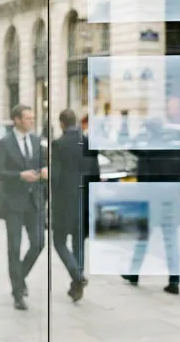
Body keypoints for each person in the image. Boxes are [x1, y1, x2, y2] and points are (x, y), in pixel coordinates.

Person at [122, 119, 180, 295]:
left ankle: (133, 273)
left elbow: (140, 177)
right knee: (172, 242)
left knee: (142, 240)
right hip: (171, 202)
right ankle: (174, 280)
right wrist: (177, 193)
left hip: (151, 202)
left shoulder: (147, 152)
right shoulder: (176, 150)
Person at [0, 104, 47, 311]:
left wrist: (43, 171)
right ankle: (17, 293)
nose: (31, 121)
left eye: (32, 118)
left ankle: (20, 277)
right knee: (14, 248)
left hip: (34, 201)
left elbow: (40, 163)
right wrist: (19, 176)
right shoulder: (4, 143)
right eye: (27, 118)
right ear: (16, 120)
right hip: (13, 202)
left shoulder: (35, 140)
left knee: (38, 243)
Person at [50, 109, 99, 302]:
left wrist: (50, 200)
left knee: (59, 241)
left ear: (62, 123)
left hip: (64, 203)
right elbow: (95, 173)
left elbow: (56, 177)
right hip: (84, 199)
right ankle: (76, 287)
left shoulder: (59, 144)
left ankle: (77, 277)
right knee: (78, 244)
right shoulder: (87, 142)